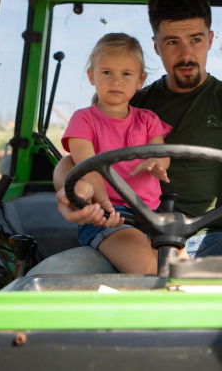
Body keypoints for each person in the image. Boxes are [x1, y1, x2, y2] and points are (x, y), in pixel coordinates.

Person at [30, 0, 222, 277]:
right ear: (156, 46)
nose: (186, 54)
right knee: (50, 277)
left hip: (218, 236)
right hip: (131, 231)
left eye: (195, 40)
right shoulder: (131, 100)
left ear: (210, 40)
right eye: (172, 42)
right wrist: (68, 193)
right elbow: (76, 160)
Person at [62, 32, 173, 274]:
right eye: (107, 72)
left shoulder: (148, 120)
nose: (116, 81)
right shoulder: (84, 119)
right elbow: (87, 166)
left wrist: (157, 162)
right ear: (92, 76)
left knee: (181, 269)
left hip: (152, 215)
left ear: (140, 80)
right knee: (148, 269)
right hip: (110, 214)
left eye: (126, 74)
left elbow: (162, 153)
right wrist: (103, 206)